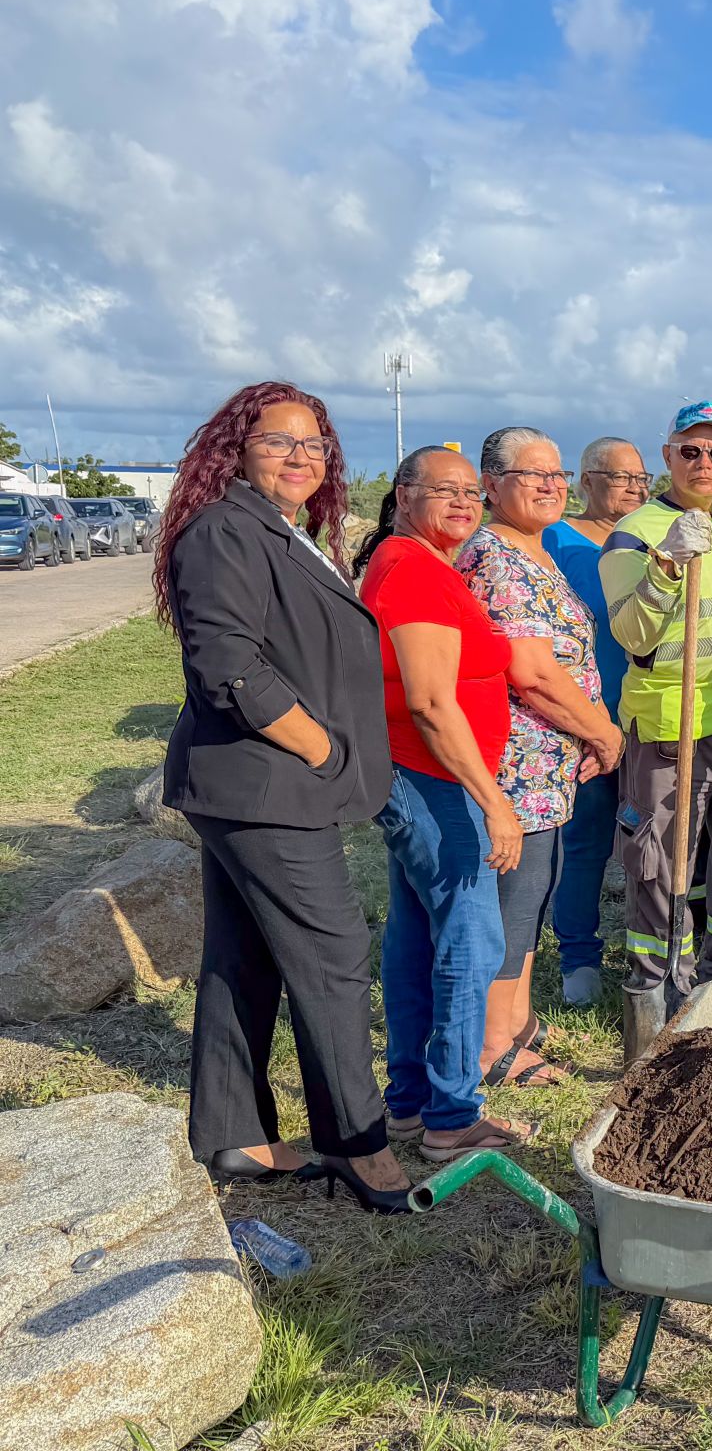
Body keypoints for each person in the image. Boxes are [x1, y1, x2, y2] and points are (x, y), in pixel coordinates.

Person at [158, 382, 408, 1211]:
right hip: (265, 784)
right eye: (279, 442)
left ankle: (232, 1134)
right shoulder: (224, 529)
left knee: (244, 956)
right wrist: (321, 744)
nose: (301, 457)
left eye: (315, 445)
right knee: (333, 957)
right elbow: (229, 668)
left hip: (257, 784)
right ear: (237, 447)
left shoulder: (281, 530)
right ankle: (355, 1143)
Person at [355, 446, 532, 1166]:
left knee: (417, 936)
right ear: (403, 494)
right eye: (445, 490)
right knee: (470, 935)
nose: (464, 502)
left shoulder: (416, 563)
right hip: (431, 777)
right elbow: (430, 701)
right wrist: (495, 803)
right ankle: (451, 1113)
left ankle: (408, 1101)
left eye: (471, 493)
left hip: (421, 775)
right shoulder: (415, 571)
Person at [599, 400, 712, 1050]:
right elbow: (632, 632)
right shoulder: (637, 531)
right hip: (669, 725)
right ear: (668, 455)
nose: (705, 463)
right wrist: (667, 565)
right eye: (691, 450)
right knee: (659, 862)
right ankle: (656, 979)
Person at [457, 429, 624, 1091]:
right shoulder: (496, 559)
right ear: (491, 483)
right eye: (533, 474)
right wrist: (603, 732)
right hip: (515, 766)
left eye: (556, 472)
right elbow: (531, 671)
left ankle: (517, 1020)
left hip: (548, 766)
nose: (551, 484)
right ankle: (493, 1043)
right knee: (512, 900)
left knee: (532, 894)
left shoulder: (538, 553)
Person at [540, 435, 649, 1006]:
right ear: (586, 481)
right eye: (620, 476)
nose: (634, 487)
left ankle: (650, 952)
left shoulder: (651, 535)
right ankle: (577, 956)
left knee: (648, 841)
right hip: (581, 719)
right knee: (584, 842)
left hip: (648, 716)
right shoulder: (553, 543)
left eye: (640, 477)